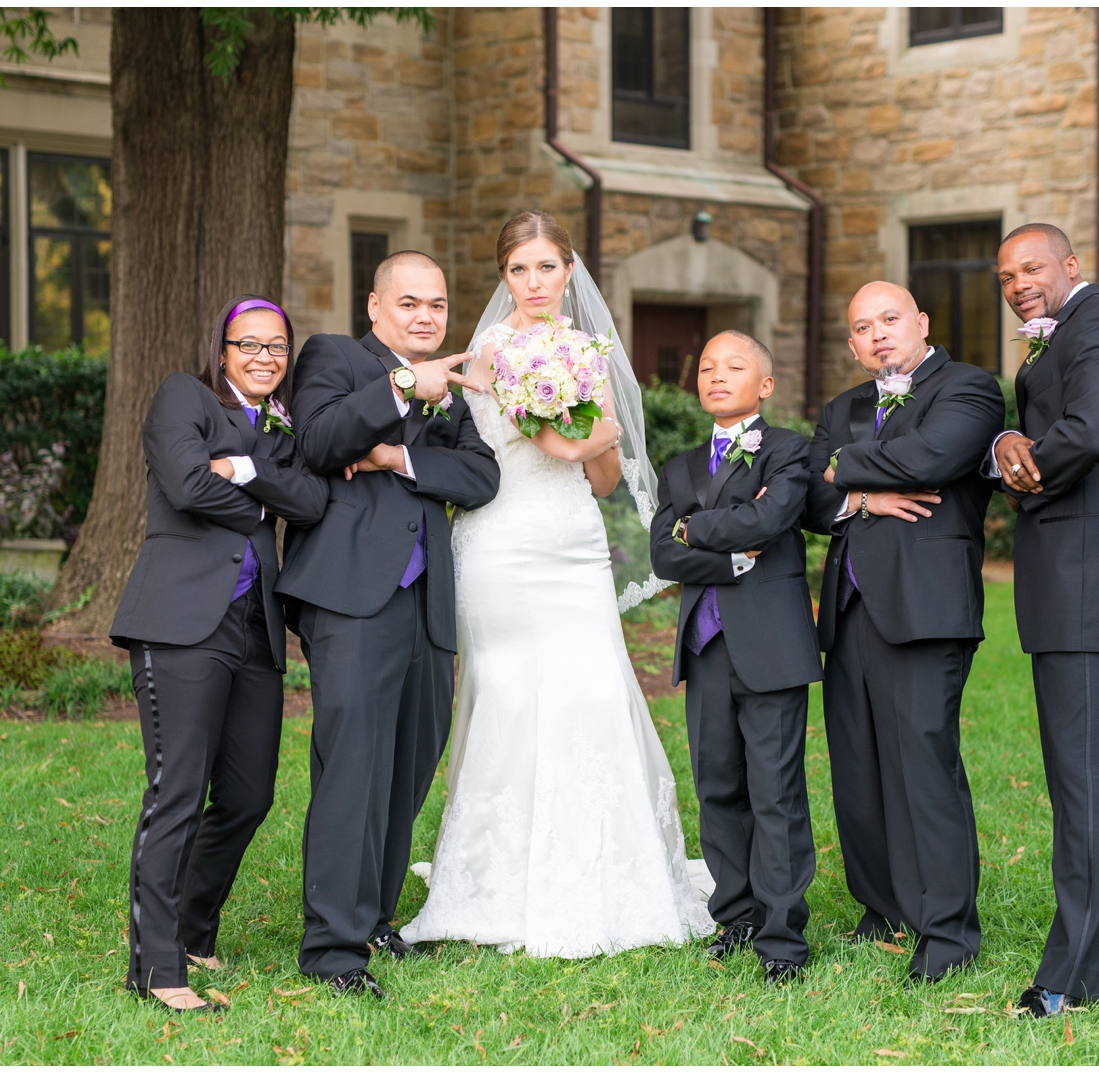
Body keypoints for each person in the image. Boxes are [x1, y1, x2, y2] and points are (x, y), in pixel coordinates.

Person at [398, 209, 714, 959]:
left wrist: (596, 437)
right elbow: (556, 443)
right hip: (501, 541)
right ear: (503, 277)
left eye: (546, 266)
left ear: (569, 272)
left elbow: (600, 476)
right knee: (508, 693)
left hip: (573, 540)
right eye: (519, 269)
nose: (533, 282)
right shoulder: (489, 351)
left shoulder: (585, 351)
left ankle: (607, 865)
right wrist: (587, 432)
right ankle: (498, 879)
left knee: (593, 689)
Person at [277, 251, 500, 997]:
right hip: (351, 595)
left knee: (409, 762)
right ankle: (332, 947)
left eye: (437, 305)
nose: (426, 316)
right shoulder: (336, 359)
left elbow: (482, 476)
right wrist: (402, 385)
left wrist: (394, 456)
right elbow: (318, 441)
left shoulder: (451, 390)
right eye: (409, 303)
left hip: (427, 601)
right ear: (375, 307)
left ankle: (373, 917)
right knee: (354, 765)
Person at [109, 295, 331, 1012]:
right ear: (223, 349)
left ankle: (194, 928)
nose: (265, 357)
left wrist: (241, 471)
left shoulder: (282, 426)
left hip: (255, 627)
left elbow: (313, 501)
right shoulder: (185, 396)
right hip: (181, 620)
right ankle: (156, 967)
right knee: (177, 789)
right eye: (249, 344)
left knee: (248, 794)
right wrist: (266, 502)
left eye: (277, 346)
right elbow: (184, 483)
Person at [986, 223, 1099, 1016]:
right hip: (1071, 585)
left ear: (1070, 264)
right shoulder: (1062, 338)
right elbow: (1046, 424)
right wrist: (1007, 436)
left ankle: (1073, 974)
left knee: (1085, 778)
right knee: (1085, 770)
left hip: (1095, 584)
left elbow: (1090, 431)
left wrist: (1023, 473)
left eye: (1032, 267)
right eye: (1006, 276)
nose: (1018, 283)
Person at [804, 282, 1005, 982]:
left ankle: (947, 931)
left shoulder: (968, 388)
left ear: (920, 321)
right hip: (849, 605)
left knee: (923, 765)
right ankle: (882, 906)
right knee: (857, 766)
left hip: (926, 605)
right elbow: (810, 496)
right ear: (852, 344)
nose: (878, 334)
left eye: (889, 319)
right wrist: (861, 496)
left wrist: (842, 468)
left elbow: (932, 458)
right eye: (863, 327)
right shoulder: (842, 407)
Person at [649, 329, 822, 985]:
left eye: (734, 365)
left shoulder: (788, 450)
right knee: (718, 786)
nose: (716, 375)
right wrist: (728, 554)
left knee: (775, 791)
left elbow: (769, 521)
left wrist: (694, 527)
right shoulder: (678, 466)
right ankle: (737, 916)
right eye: (706, 367)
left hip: (771, 643)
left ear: (766, 385)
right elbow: (663, 555)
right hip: (706, 644)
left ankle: (782, 935)